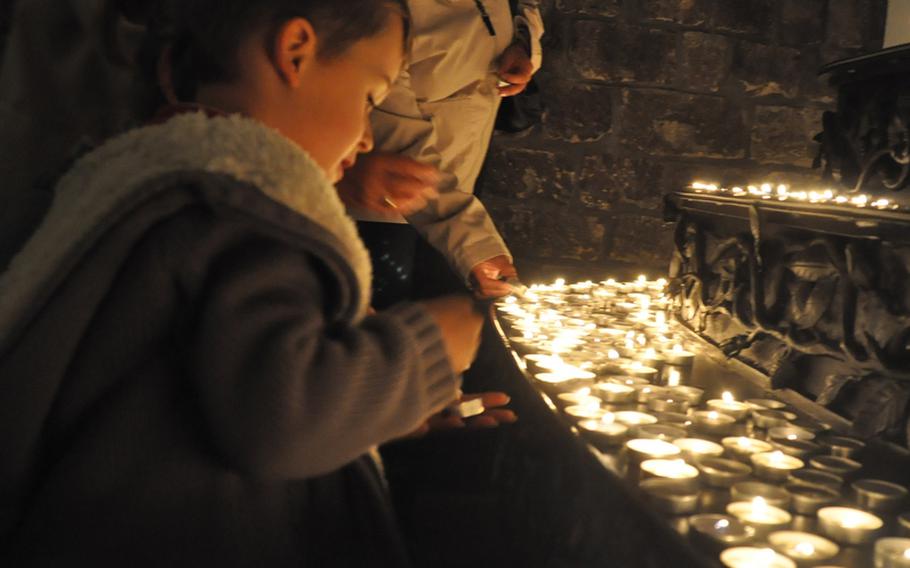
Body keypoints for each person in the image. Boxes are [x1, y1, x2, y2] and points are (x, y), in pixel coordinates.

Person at [0, 1, 490, 565]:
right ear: (296, 51)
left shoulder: (146, 177)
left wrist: (380, 402)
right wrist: (426, 347)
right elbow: (281, 417)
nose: (364, 139)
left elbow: (209, 388)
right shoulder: (247, 210)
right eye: (370, 98)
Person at [337, 0, 544, 307]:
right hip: (391, 205)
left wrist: (522, 44)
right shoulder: (378, 20)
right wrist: (474, 243)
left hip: (456, 191)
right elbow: (396, 137)